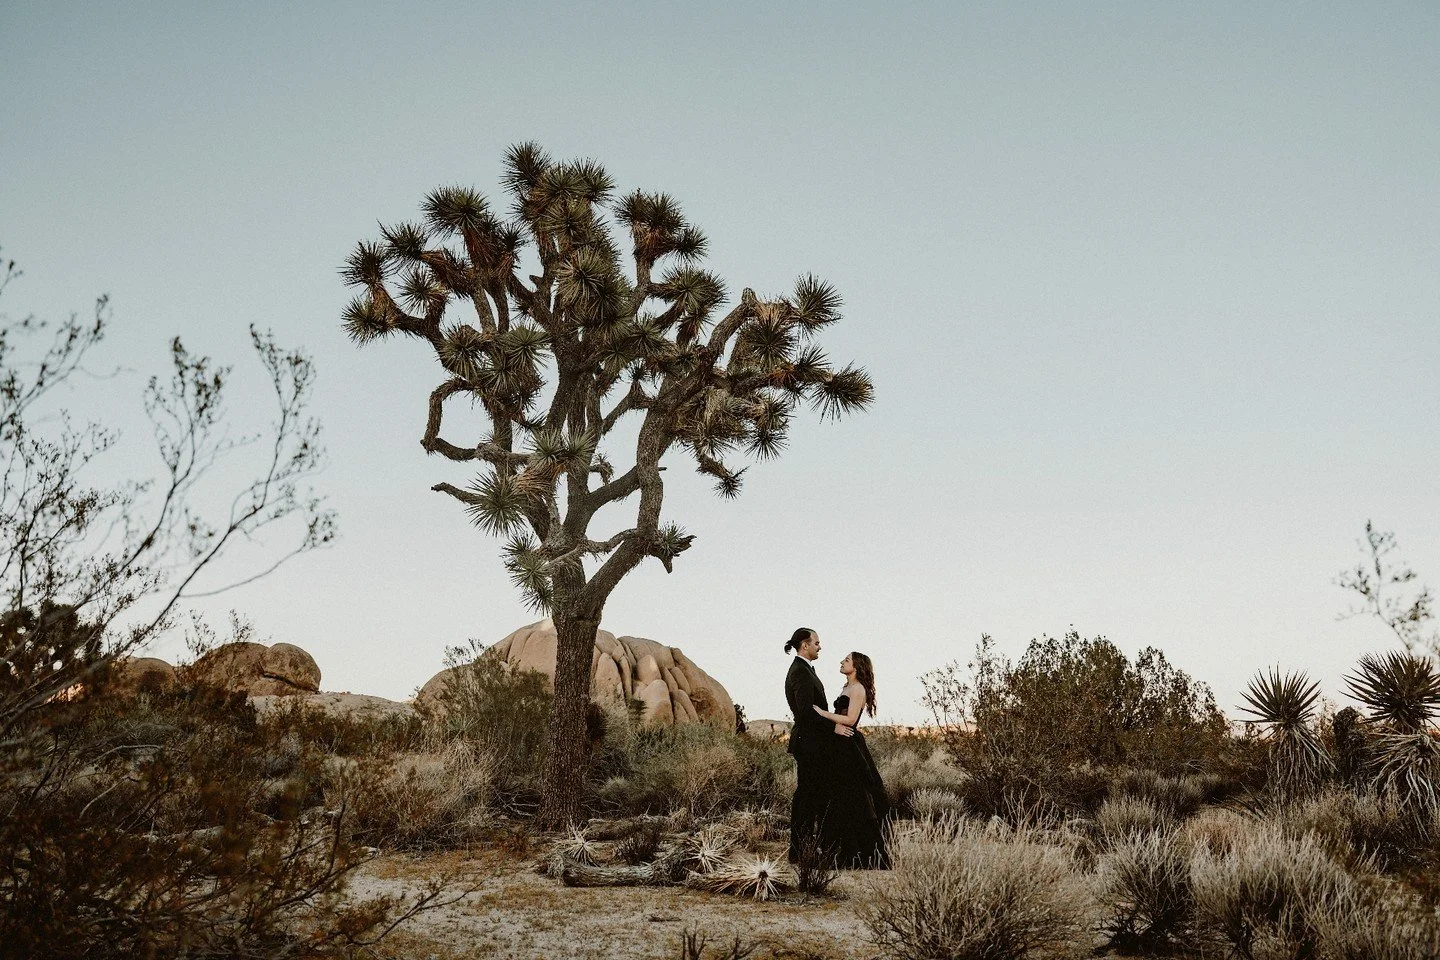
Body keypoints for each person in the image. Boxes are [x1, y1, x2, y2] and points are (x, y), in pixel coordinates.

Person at [810, 651, 891, 869]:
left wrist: (822, 714)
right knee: (838, 797)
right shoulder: (846, 687)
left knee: (855, 797)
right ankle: (841, 852)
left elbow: (851, 719)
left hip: (848, 746)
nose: (841, 662)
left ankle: (865, 854)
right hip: (838, 745)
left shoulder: (857, 689)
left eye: (846, 660)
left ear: (856, 666)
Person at [783, 627, 851, 863]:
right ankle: (800, 851)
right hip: (809, 743)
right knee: (807, 797)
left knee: (811, 796)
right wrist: (833, 727)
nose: (820, 646)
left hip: (812, 743)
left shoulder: (804, 670)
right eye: (817, 643)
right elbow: (804, 713)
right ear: (805, 645)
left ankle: (805, 849)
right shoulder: (801, 672)